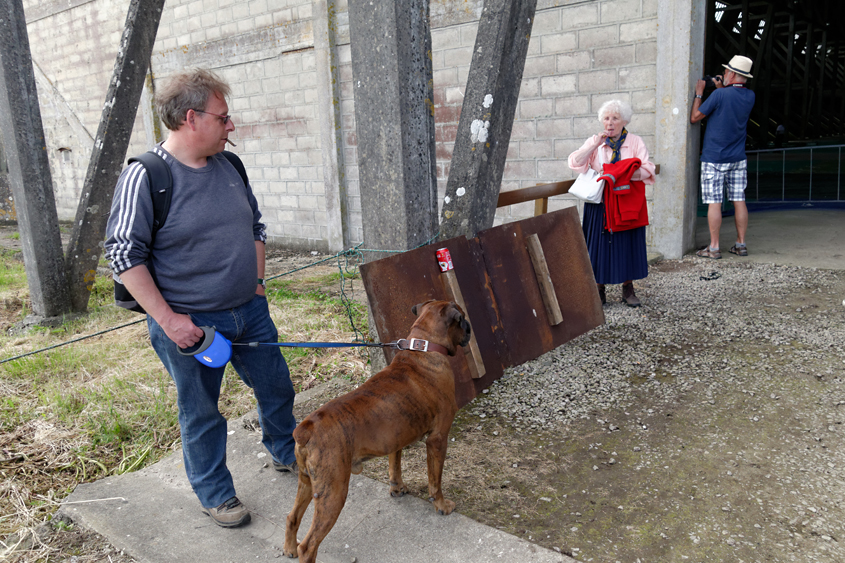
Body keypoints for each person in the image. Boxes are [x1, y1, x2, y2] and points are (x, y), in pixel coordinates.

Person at [104, 69, 298, 528]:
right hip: (191, 326)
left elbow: (255, 227)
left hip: (249, 311)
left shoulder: (229, 166)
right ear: (191, 118)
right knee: (202, 411)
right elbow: (123, 256)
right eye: (224, 117)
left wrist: (257, 285)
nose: (231, 127)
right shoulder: (146, 176)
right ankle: (216, 494)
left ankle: (286, 451)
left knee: (276, 387)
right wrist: (171, 322)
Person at [568, 99, 656, 307]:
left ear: (623, 121)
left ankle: (628, 288)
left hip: (626, 200)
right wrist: (593, 145)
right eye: (606, 118)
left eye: (615, 118)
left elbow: (647, 170)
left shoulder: (634, 142)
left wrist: (617, 173)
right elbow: (574, 163)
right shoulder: (595, 141)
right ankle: (598, 289)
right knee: (598, 245)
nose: (610, 123)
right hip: (600, 202)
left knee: (627, 242)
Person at [690, 55, 756, 259]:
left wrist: (700, 94)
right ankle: (741, 244)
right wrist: (721, 88)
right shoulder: (750, 96)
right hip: (737, 158)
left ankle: (714, 247)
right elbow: (730, 103)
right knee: (739, 200)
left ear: (733, 74)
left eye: (727, 71)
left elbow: (695, 118)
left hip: (714, 158)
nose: (724, 74)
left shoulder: (720, 96)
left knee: (714, 203)